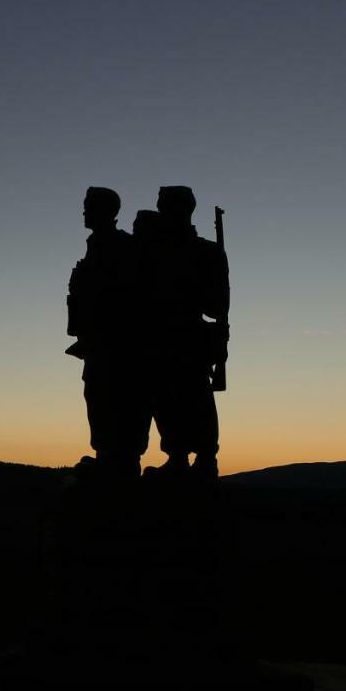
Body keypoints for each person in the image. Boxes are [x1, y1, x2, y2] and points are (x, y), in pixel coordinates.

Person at [66, 187, 150, 481]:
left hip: (120, 348)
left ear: (107, 211)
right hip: (99, 346)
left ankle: (121, 466)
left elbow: (127, 298)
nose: (84, 211)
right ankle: (108, 459)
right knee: (99, 400)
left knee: (119, 404)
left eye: (89, 206)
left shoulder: (121, 247)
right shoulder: (99, 246)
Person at [145, 186, 229, 479]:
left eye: (163, 205)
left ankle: (206, 460)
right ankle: (178, 458)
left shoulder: (204, 251)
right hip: (160, 336)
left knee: (197, 398)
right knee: (164, 399)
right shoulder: (155, 249)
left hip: (188, 337)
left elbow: (218, 305)